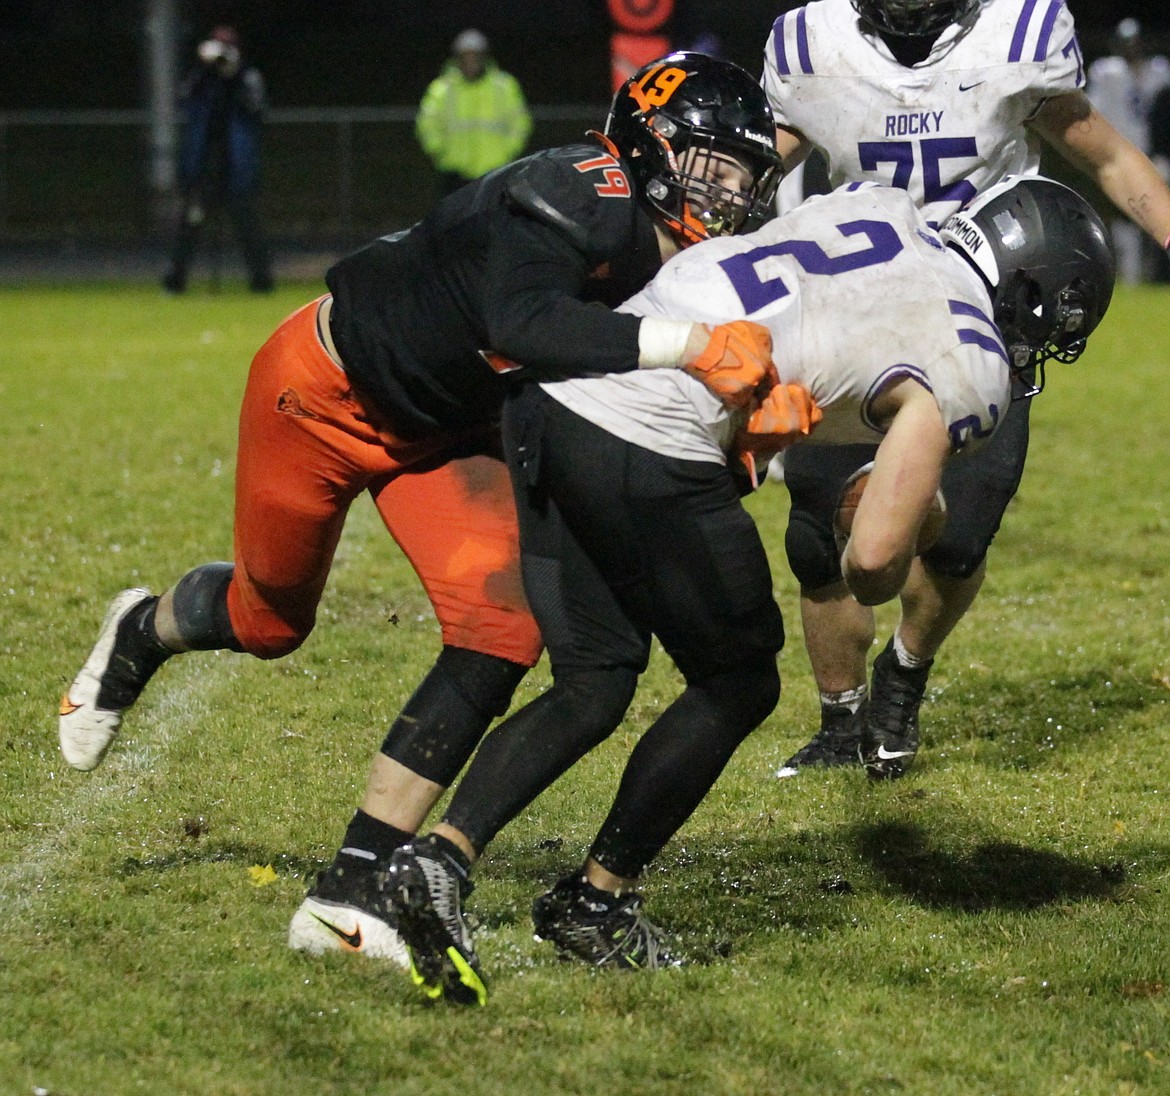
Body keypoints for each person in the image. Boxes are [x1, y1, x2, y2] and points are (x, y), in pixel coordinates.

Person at [58, 53, 784, 964]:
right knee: (269, 620)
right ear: (649, 146)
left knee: (501, 627)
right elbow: (521, 325)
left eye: (743, 179)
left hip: (446, 429)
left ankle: (353, 887)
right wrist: (690, 348)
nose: (725, 197)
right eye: (709, 168)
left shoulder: (678, 254)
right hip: (324, 393)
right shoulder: (581, 187)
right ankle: (143, 630)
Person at [380, 174, 1115, 1005]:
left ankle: (436, 861)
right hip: (650, 426)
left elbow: (788, 300)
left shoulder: (881, 204)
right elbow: (872, 565)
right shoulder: (971, 357)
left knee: (596, 676)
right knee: (738, 680)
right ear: (1030, 287)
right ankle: (597, 900)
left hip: (561, 387)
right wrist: (925, 517)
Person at [760, 0, 1170, 781]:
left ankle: (904, 675)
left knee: (957, 541)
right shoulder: (814, 43)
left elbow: (1109, 157)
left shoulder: (1017, 37)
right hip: (858, 303)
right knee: (819, 534)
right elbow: (744, 168)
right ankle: (839, 722)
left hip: (987, 309)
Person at [162, 25, 273, 295]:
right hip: (204, 167)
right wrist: (206, 71)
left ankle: (261, 281)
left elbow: (256, 108)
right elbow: (185, 100)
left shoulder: (247, 76)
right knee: (190, 223)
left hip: (236, 167)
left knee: (247, 227)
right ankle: (176, 280)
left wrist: (234, 76)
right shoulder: (202, 78)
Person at [1086, 18, 1170, 284]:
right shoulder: (1107, 72)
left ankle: (1155, 275)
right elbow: (1094, 109)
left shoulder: (1159, 70)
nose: (1131, 49)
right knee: (1126, 217)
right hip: (1120, 153)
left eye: (1135, 43)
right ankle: (1132, 278)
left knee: (1158, 212)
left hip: (1156, 154)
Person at [415, 29, 532, 198]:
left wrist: (509, 151)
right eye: (465, 56)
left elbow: (520, 122)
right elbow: (427, 123)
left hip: (495, 168)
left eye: (475, 56)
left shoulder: (503, 86)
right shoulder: (442, 88)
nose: (470, 62)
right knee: (455, 220)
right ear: (457, 58)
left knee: (493, 218)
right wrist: (439, 151)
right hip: (454, 170)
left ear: (483, 57)